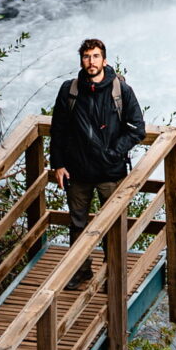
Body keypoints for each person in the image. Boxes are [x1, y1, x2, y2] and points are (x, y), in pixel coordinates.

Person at [49, 38, 145, 284]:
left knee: (113, 227)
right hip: (77, 170)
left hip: (110, 172)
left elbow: (137, 128)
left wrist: (114, 152)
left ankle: (112, 275)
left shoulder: (120, 90)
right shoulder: (69, 90)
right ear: (81, 60)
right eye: (86, 57)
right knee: (77, 224)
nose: (90, 62)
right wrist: (58, 164)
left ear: (104, 60)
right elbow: (57, 129)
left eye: (95, 56)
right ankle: (80, 272)